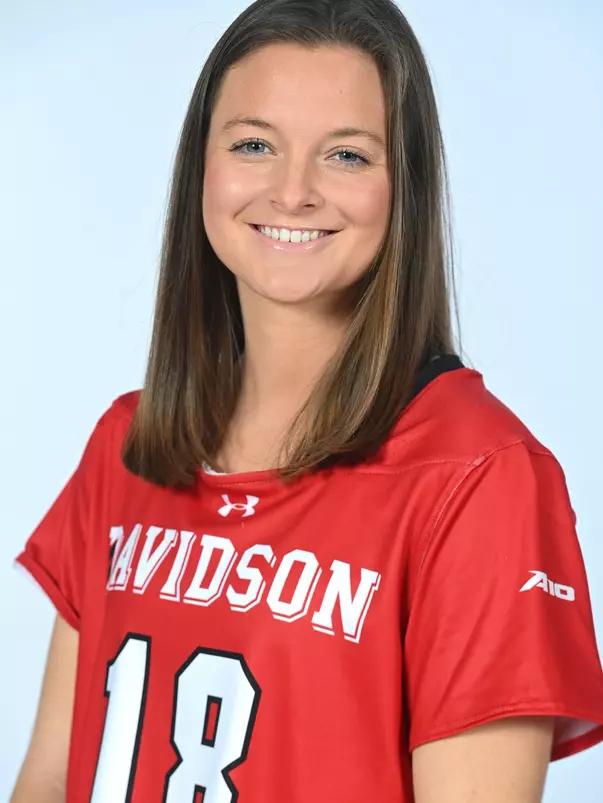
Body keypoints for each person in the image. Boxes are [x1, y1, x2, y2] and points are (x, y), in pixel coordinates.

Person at [10, 0, 603, 801]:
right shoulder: (130, 442)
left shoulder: (478, 477)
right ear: (202, 167)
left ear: (406, 187)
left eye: (347, 156)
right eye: (254, 145)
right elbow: (48, 778)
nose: (291, 192)